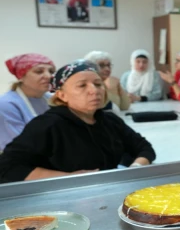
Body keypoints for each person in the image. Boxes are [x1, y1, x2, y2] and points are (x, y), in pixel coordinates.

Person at [0, 60, 156, 183]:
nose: (94, 90)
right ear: (62, 95)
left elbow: (144, 148)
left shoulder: (109, 120)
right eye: (82, 85)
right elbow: (8, 167)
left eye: (98, 84)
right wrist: (69, 177)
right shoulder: (47, 125)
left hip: (106, 189)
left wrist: (134, 169)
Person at [0, 54, 55, 151]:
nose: (49, 76)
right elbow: (19, 146)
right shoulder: (6, 104)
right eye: (39, 71)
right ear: (21, 76)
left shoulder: (52, 99)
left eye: (51, 71)